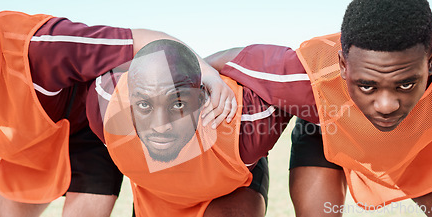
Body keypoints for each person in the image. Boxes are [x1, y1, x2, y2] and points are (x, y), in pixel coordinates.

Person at [0, 1, 237, 216]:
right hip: (25, 155)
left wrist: (208, 75)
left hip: (85, 143)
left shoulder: (42, 45)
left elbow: (143, 40)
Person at [207, 0, 432, 216]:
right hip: (326, 130)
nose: (386, 106)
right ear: (342, 65)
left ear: (429, 61)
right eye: (367, 86)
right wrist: (207, 77)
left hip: (414, 134)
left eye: (405, 84)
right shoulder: (304, 75)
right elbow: (209, 61)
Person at [86, 38, 315, 216]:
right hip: (156, 193)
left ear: (201, 98)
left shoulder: (245, 121)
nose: (161, 126)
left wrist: (208, 71)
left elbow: (310, 79)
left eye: (177, 104)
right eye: (145, 105)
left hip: (228, 190)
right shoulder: (105, 104)